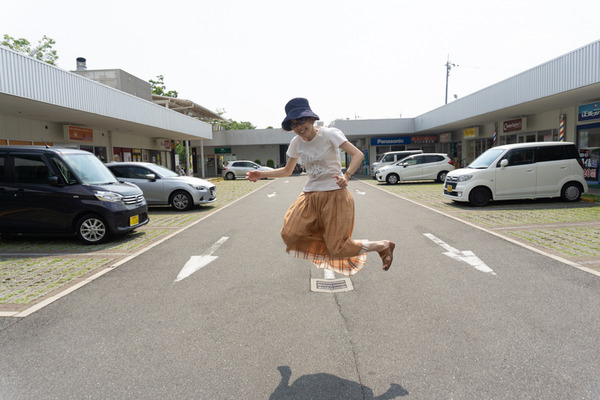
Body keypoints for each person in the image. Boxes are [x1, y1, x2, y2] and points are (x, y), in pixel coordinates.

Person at [247, 98, 395, 276]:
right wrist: (261, 174)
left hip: (335, 194)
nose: (299, 127)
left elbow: (357, 154)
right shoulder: (296, 142)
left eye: (301, 121)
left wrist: (346, 176)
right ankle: (333, 242)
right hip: (310, 195)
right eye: (293, 124)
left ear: (311, 119)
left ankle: (381, 246)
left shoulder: (330, 134)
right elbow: (287, 170)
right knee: (290, 234)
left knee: (337, 249)